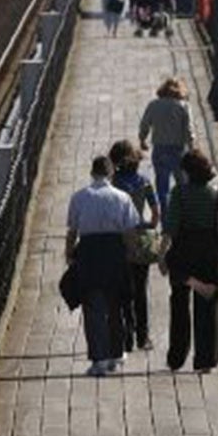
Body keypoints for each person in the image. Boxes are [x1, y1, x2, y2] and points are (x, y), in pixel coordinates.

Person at [163, 150, 218, 372]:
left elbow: (171, 228)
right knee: (208, 308)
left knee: (179, 305)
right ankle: (206, 360)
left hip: (184, 250)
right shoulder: (215, 193)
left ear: (186, 172)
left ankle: (177, 357)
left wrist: (161, 255)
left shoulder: (179, 193)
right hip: (209, 252)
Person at [66, 154, 139, 376]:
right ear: (110, 173)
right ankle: (116, 354)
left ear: (92, 173)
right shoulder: (122, 197)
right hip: (114, 252)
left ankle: (98, 359)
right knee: (115, 305)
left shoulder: (79, 197)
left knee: (92, 307)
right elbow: (130, 231)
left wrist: (69, 254)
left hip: (88, 253)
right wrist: (131, 253)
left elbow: (72, 231)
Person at [108, 139, 159, 352]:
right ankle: (143, 336)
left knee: (123, 291)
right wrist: (147, 225)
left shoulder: (114, 185)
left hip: (120, 241)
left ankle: (126, 337)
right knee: (140, 290)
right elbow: (156, 213)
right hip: (140, 238)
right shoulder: (145, 182)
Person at [136, 76, 194, 207]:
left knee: (162, 187)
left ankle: (165, 217)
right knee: (183, 185)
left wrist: (142, 139)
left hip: (160, 149)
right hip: (179, 150)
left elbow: (145, 124)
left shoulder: (154, 105)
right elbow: (189, 130)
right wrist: (192, 148)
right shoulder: (184, 106)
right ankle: (183, 215)